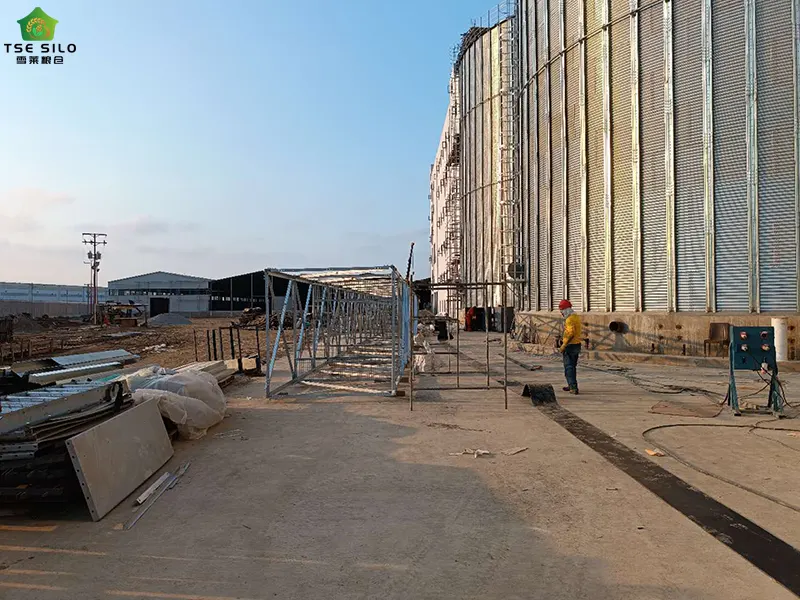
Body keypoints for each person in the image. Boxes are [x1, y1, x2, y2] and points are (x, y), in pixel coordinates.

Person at [558, 299, 582, 394]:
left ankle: (573, 387)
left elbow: (570, 333)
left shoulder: (569, 319)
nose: (561, 313)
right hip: (576, 344)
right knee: (573, 366)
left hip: (570, 346)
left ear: (566, 310)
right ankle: (571, 385)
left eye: (562, 311)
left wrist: (563, 345)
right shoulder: (575, 317)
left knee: (568, 367)